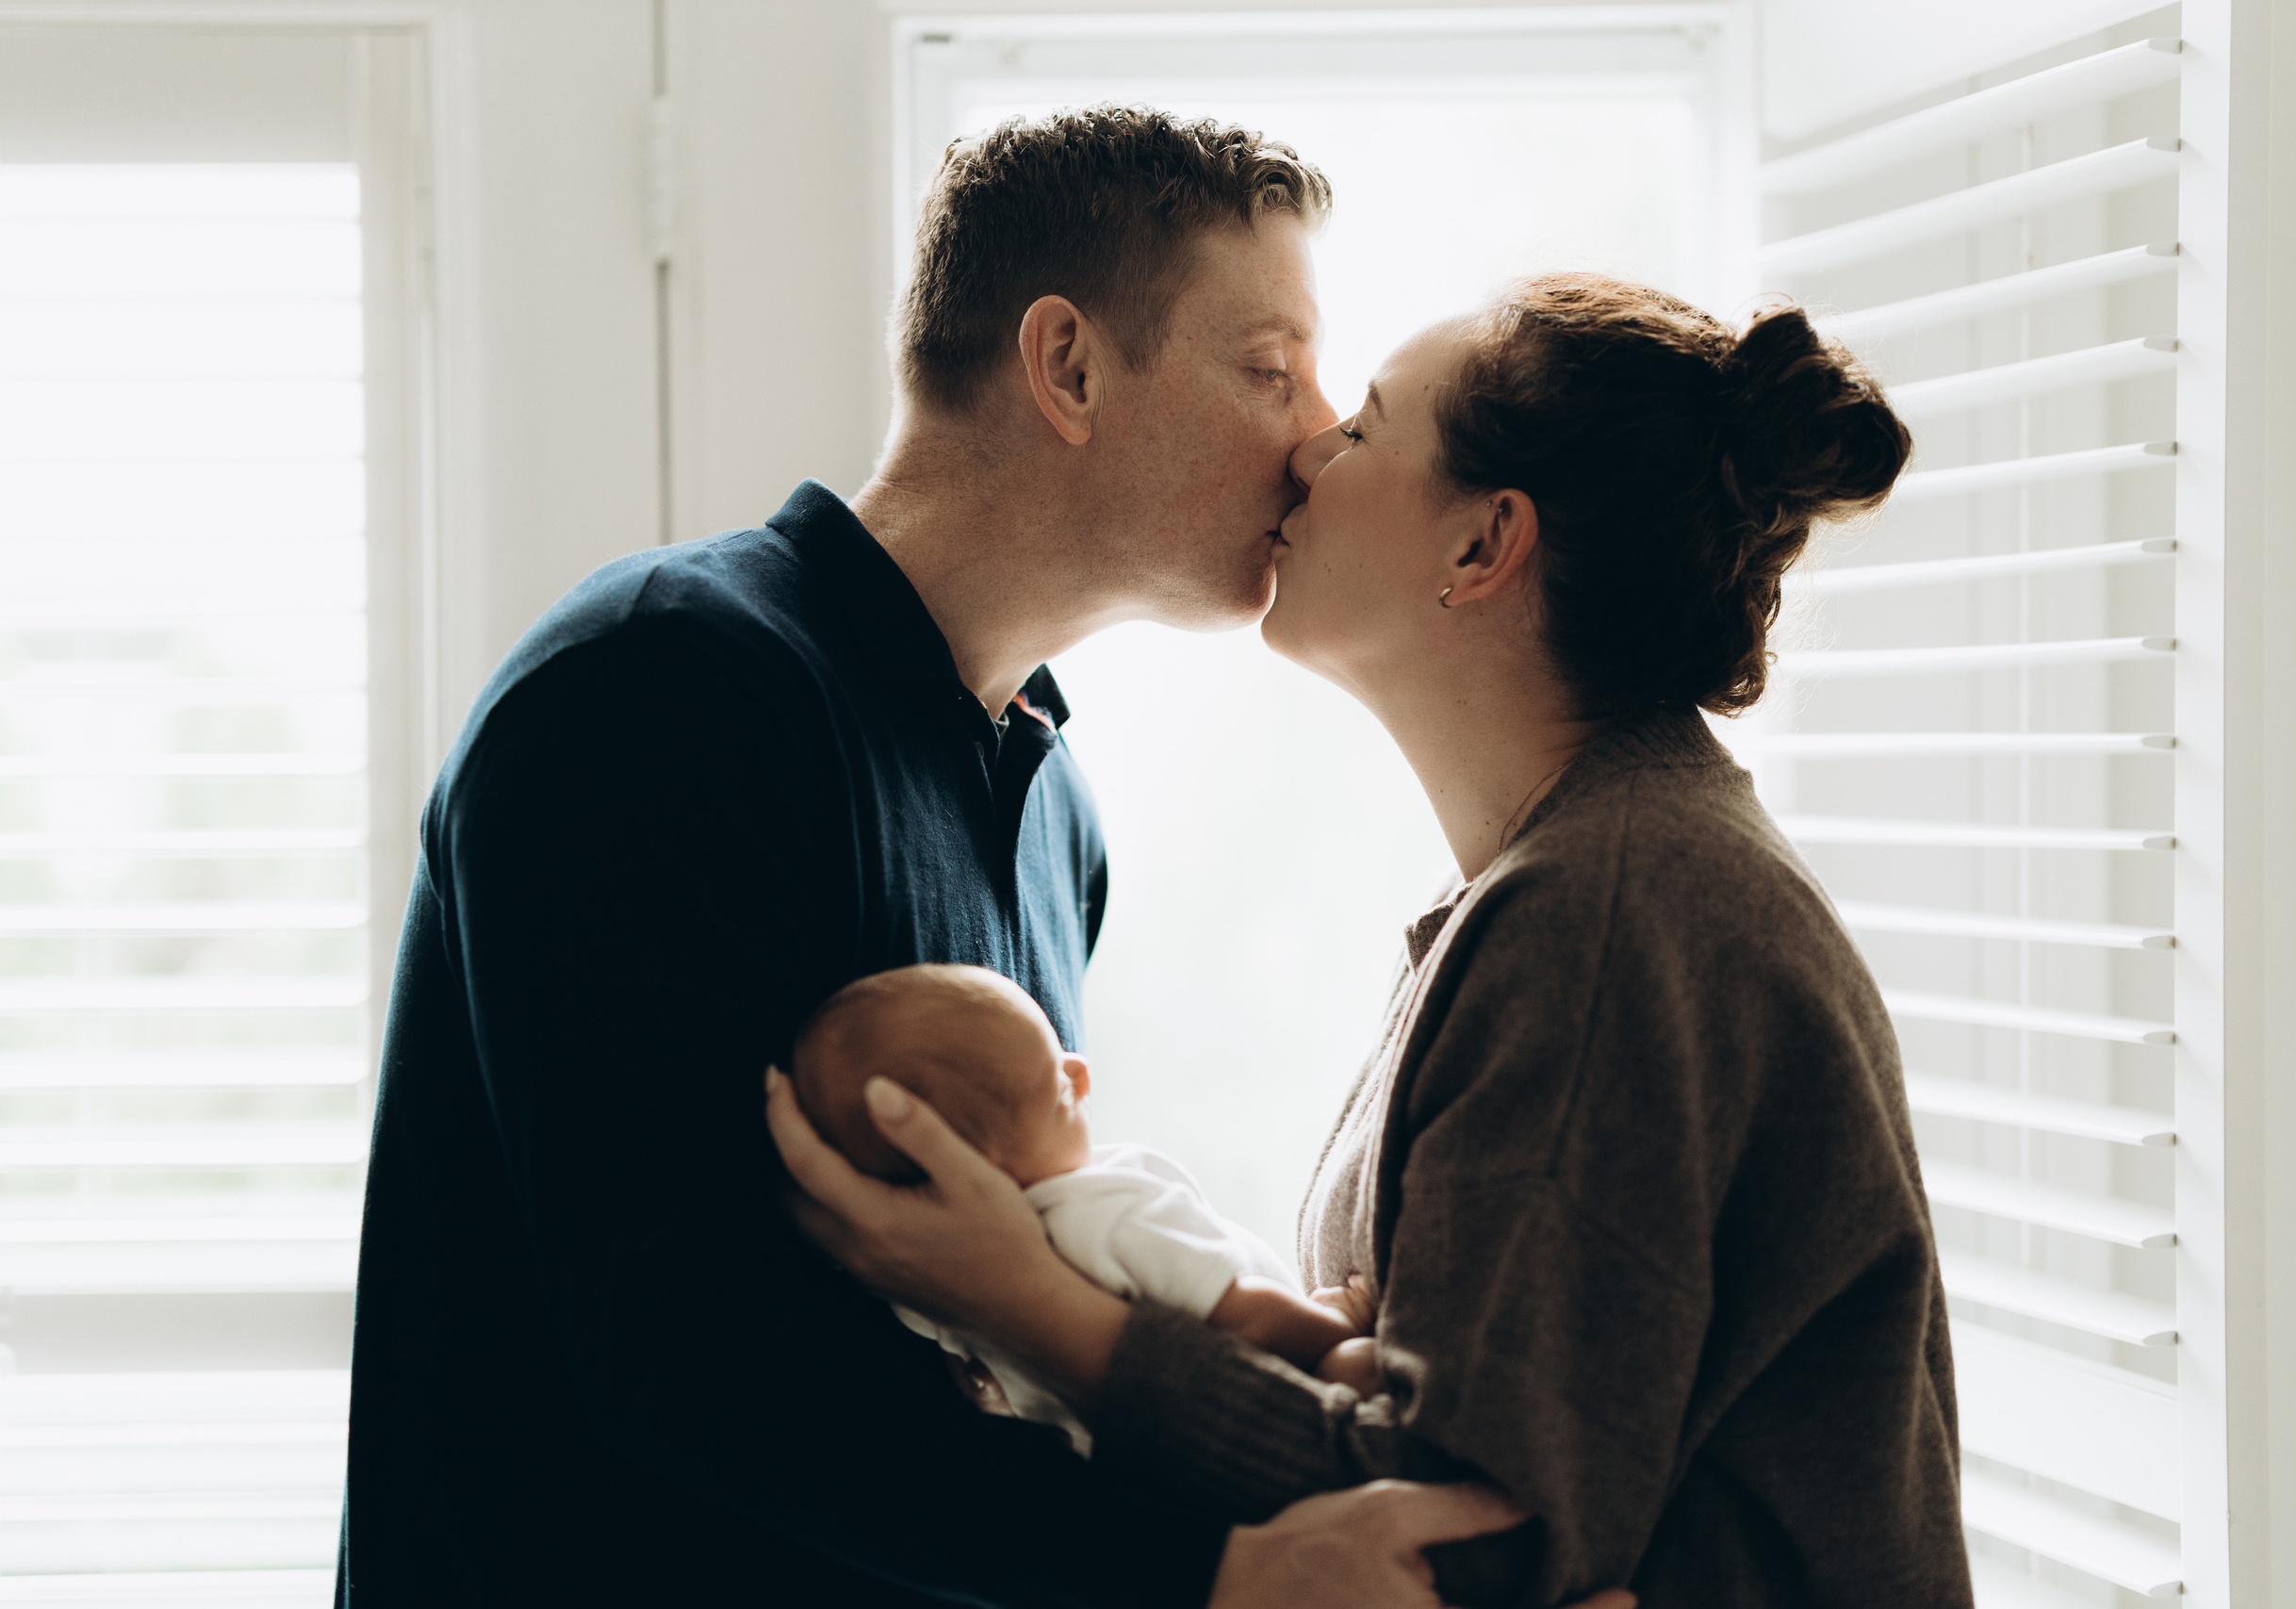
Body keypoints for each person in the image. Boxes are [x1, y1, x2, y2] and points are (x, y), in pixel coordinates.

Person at [339, 107, 1623, 1609]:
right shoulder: (659, 694)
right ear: (1067, 365)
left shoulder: (1053, 803)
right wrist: (1214, 1573)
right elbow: (688, 1347)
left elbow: (972, 1345)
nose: (1318, 434)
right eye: (1270, 367)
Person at [768, 276, 1978, 1607]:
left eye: (1365, 427)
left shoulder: (1612, 915)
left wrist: (1031, 1302)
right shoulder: (1582, 878)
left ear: (1481, 548)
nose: (1307, 448)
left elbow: (1451, 1530)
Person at [787, 962, 1376, 1454]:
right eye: (1060, 1085)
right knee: (1359, 1368)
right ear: (977, 1163)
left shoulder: (927, 1282)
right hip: (1266, 1421)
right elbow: (1248, 1318)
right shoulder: (1102, 1213)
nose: (1080, 1068)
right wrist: (1338, 1320)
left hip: (1146, 1462)